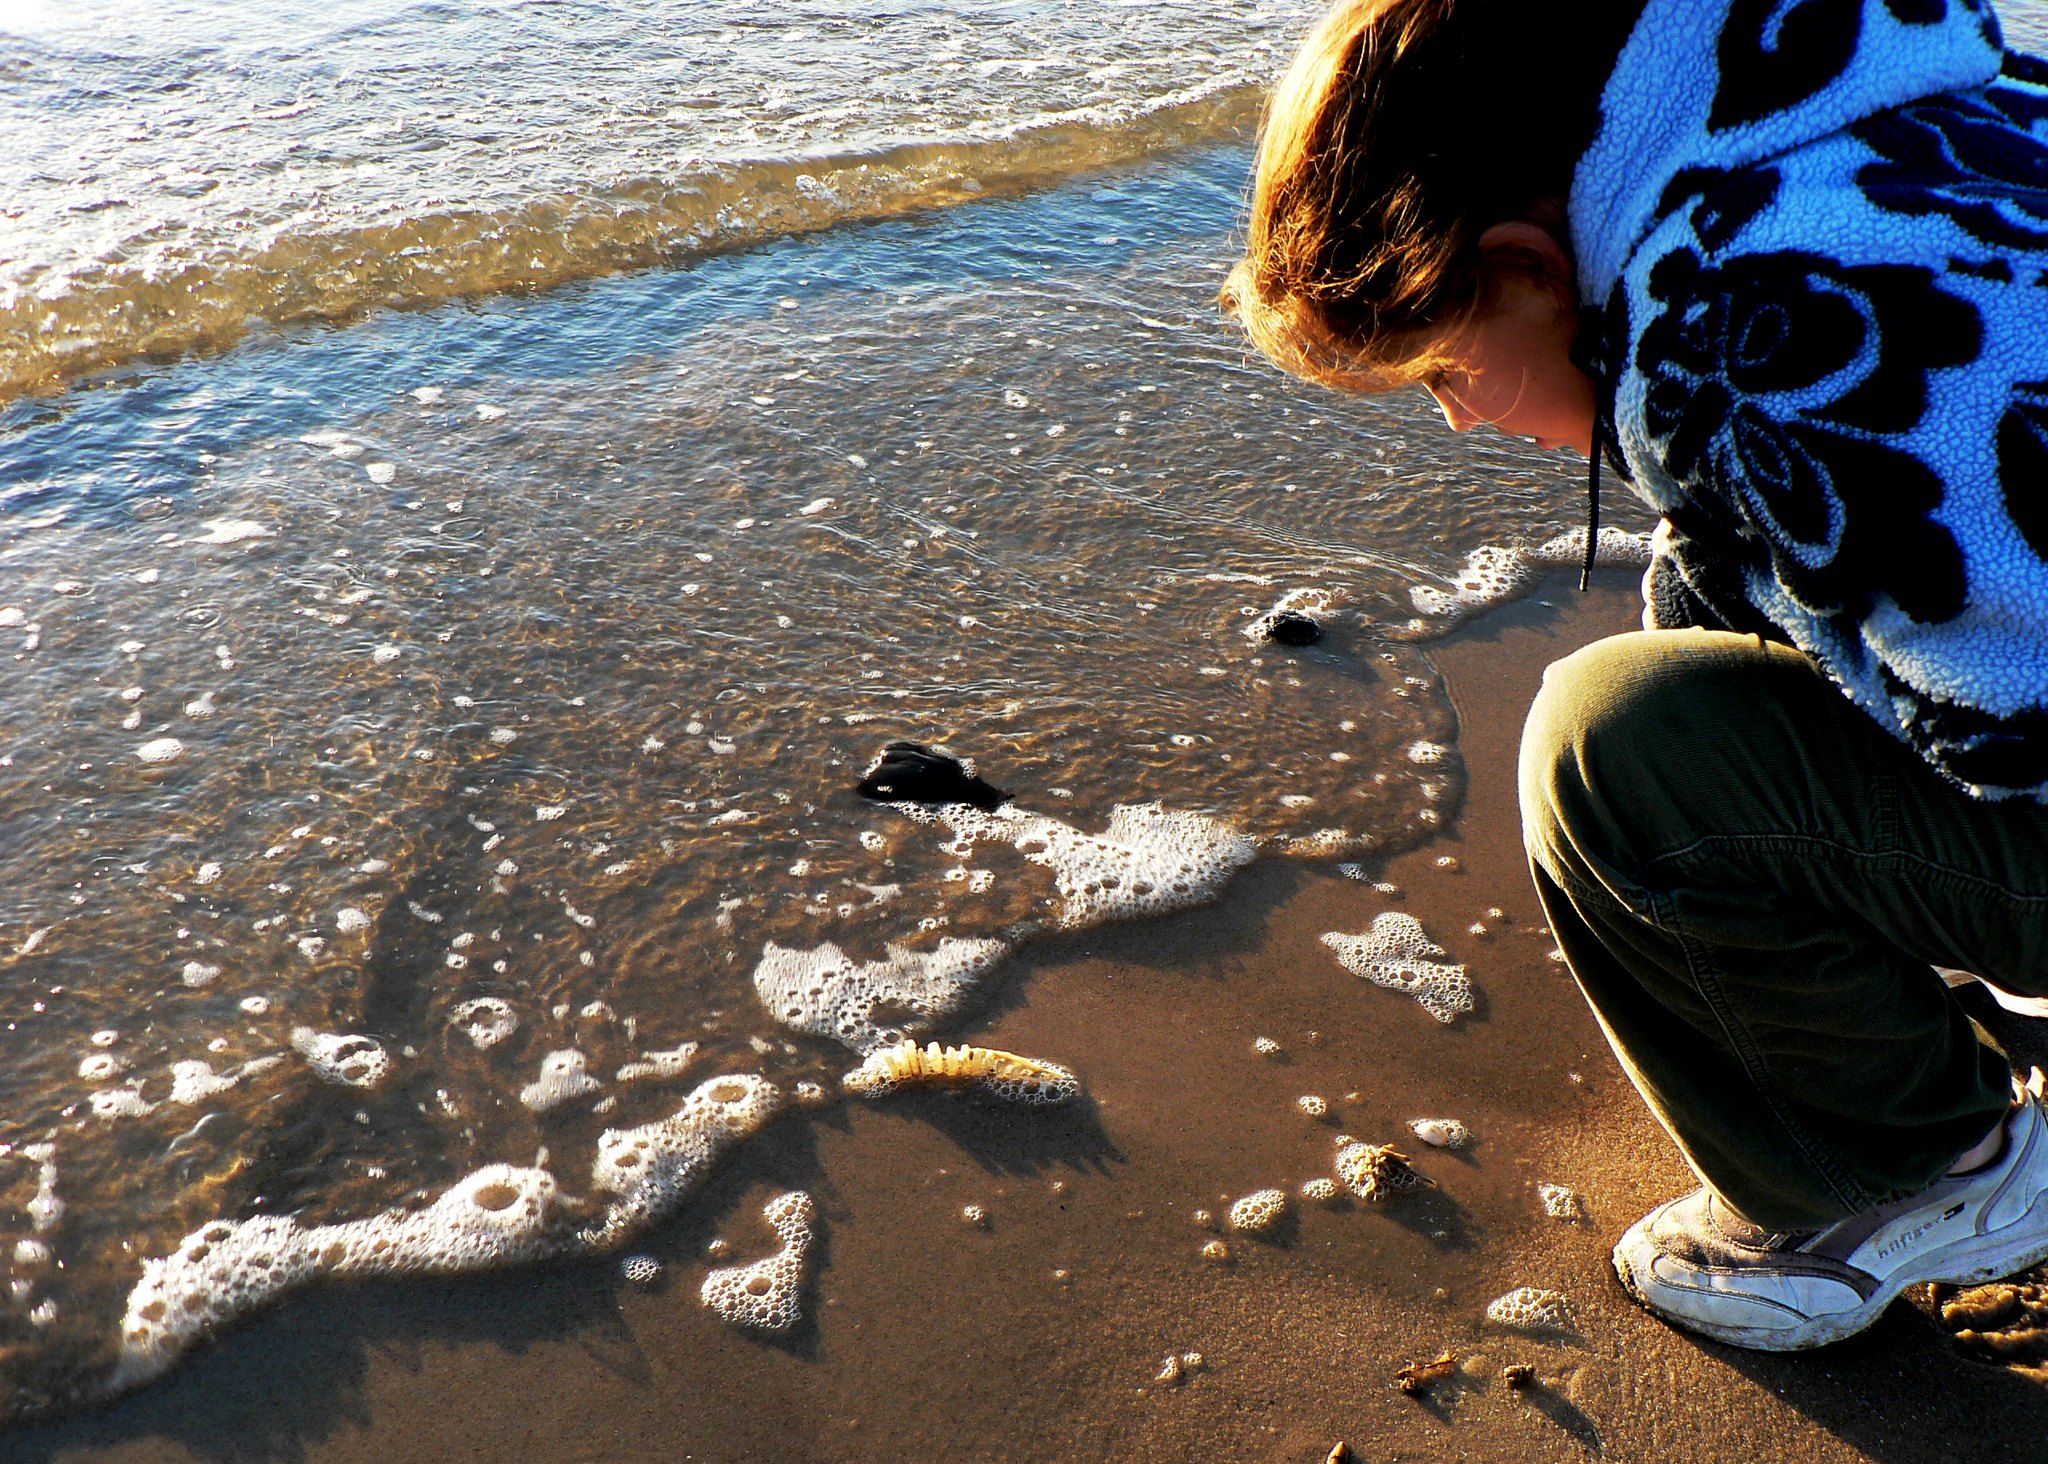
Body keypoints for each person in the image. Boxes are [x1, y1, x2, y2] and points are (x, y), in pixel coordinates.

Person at [1224, 0, 2048, 1351]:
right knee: (1714, 583)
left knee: (1615, 752)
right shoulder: (1928, 103)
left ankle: (1916, 1176)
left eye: (1443, 369)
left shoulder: (1725, 337)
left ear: (1527, 267)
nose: (1459, 418)